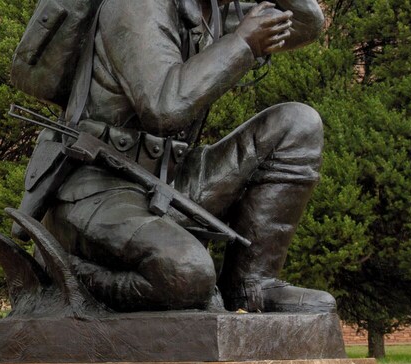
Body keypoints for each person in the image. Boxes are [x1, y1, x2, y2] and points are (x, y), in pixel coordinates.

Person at [22, 0, 334, 313]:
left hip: (168, 181)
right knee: (185, 274)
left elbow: (305, 23)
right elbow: (164, 106)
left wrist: (243, 37)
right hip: (98, 189)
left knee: (298, 124)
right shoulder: (137, 6)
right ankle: (68, 272)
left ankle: (250, 286)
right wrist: (242, 43)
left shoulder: (210, 13)